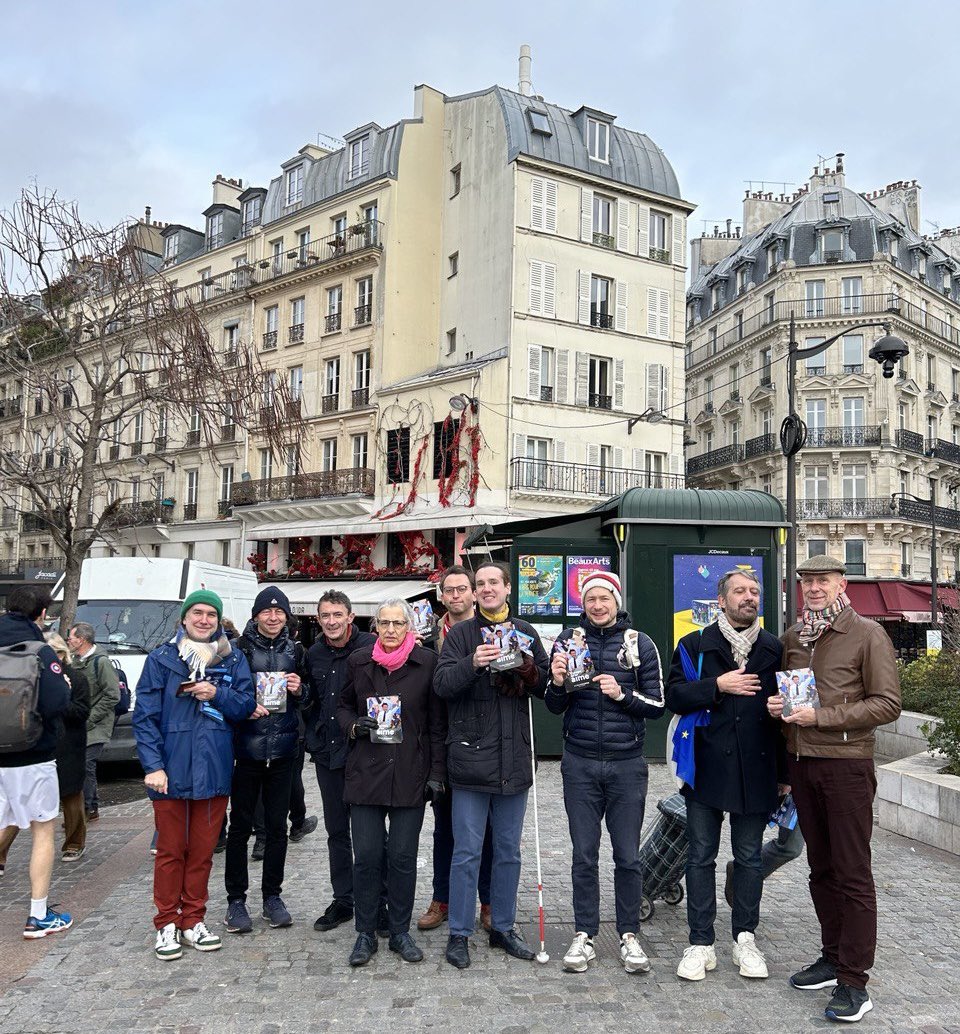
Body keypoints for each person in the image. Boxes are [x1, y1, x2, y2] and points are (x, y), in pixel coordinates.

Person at [772, 554, 900, 1023]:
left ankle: (854, 981)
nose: (814, 588)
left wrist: (821, 717)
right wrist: (779, 708)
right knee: (820, 870)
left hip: (847, 766)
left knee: (852, 873)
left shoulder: (867, 634)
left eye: (823, 581)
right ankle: (831, 957)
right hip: (803, 764)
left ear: (841, 583)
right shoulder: (795, 637)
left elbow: (887, 704)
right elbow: (794, 697)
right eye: (807, 582)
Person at [665, 569, 785, 983]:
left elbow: (787, 714)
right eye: (740, 591)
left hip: (757, 769)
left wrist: (784, 774)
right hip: (706, 769)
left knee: (749, 858)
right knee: (700, 856)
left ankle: (745, 938)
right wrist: (717, 684)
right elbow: (674, 696)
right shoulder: (695, 645)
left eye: (755, 591)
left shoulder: (774, 648)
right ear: (721, 600)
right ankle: (700, 942)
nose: (749, 597)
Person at [545, 571, 665, 975]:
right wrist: (558, 682)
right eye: (591, 599)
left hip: (626, 765)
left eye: (605, 598)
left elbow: (657, 704)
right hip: (578, 763)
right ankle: (585, 934)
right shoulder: (567, 642)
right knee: (583, 855)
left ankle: (630, 934)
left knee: (628, 857)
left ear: (617, 601)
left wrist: (622, 694)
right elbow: (553, 704)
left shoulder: (640, 644)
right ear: (584, 604)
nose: (598, 605)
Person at [434, 561, 549, 970]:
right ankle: (460, 933)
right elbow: (442, 685)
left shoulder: (525, 631)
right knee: (466, 852)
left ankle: (502, 926)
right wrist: (473, 663)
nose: (486, 589)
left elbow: (546, 687)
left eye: (492, 583)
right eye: (479, 584)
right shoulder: (462, 634)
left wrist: (528, 667)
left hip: (513, 760)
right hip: (469, 761)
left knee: (508, 852)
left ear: (506, 588)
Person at [133, 589, 255, 961]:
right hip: (170, 770)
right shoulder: (162, 658)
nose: (204, 620)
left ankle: (193, 920)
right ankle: (167, 922)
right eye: (197, 613)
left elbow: (245, 705)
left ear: (219, 621)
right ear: (184, 618)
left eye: (211, 615)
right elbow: (145, 716)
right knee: (171, 851)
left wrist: (216, 693)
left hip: (214, 768)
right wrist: (153, 766)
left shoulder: (232, 660)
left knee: (202, 852)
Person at [336, 599, 445, 966]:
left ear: (409, 626)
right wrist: (352, 725)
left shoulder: (427, 662)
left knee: (401, 856)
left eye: (399, 623)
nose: (392, 630)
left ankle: (399, 930)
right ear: (375, 626)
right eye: (385, 623)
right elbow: (341, 705)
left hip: (409, 773)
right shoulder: (359, 661)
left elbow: (435, 724)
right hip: (366, 772)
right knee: (366, 855)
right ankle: (365, 932)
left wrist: (436, 774)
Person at [224, 587, 307, 934]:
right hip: (247, 752)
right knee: (240, 830)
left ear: (286, 616)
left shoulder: (296, 650)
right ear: (256, 615)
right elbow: (224, 694)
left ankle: (273, 897)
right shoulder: (238, 649)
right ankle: (236, 901)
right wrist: (245, 706)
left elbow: (309, 698)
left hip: (284, 752)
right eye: (266, 612)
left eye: (279, 612)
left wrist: (300, 689)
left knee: (277, 830)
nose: (273, 618)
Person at [417, 565, 494, 934]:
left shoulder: (491, 631)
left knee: (488, 829)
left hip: (481, 737)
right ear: (442, 596)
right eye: (450, 590)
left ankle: (489, 900)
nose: (457, 595)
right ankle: (442, 898)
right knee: (444, 828)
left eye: (463, 589)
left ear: (474, 594)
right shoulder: (424, 636)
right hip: (440, 740)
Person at [0, 586, 72, 937]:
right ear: (42, 614)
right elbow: (58, 703)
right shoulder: (41, 651)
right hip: (33, 756)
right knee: (43, 831)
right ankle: (38, 915)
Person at [303, 590, 376, 933]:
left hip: (365, 754)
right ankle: (343, 900)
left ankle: (378, 900)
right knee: (336, 832)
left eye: (337, 615)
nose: (331, 621)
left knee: (371, 834)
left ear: (350, 616)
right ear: (318, 619)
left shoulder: (372, 645)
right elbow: (309, 699)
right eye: (325, 615)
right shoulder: (313, 653)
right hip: (327, 754)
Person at [0, 631, 91, 871]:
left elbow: (81, 712)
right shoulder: (28, 676)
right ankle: (1, 854)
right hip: (38, 745)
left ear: (62, 655)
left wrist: (62, 697)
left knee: (71, 795)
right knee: (19, 803)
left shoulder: (77, 679)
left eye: (55, 652)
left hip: (69, 745)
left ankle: (74, 842)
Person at [67, 621, 120, 822]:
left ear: (81, 640)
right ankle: (87, 807)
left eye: (71, 637)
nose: (69, 641)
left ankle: (88, 808)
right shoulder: (74, 660)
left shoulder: (101, 662)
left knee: (85, 764)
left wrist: (90, 718)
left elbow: (112, 695)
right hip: (79, 723)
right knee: (80, 764)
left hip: (96, 724)